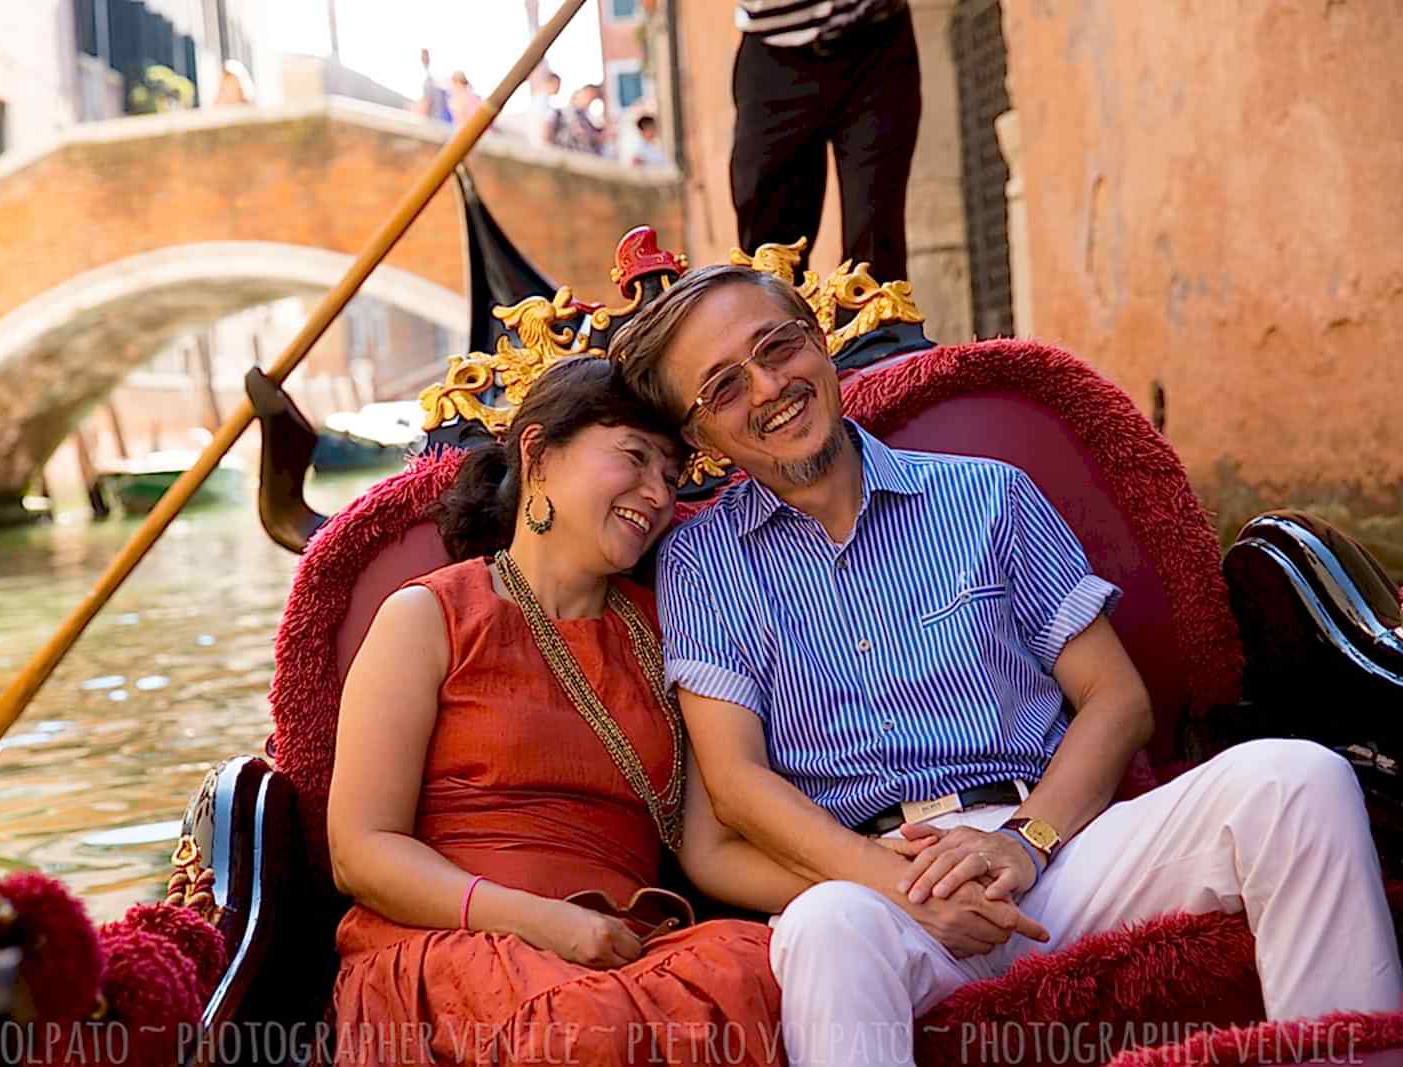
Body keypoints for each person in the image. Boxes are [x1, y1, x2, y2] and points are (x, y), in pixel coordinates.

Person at [608, 265, 1403, 1065]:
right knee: (822, 928)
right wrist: (901, 888)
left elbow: (1115, 699)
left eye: (776, 346)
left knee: (1298, 780)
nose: (769, 385)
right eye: (723, 387)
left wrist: (1028, 842)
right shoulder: (702, 563)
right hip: (874, 881)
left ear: (818, 344)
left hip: (1054, 850)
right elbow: (737, 784)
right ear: (702, 438)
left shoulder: (989, 494)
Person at [326, 357, 833, 1065]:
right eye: (633, 457)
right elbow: (360, 850)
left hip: (626, 949)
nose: (657, 493)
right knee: (585, 1026)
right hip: (452, 946)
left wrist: (878, 877)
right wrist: (544, 923)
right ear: (537, 453)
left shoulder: (673, 630)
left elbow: (706, 846)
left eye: (671, 473)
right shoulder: (429, 615)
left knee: (765, 968)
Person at [731, 0, 921, 281]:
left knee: (874, 249)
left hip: (876, 43)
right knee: (769, 256)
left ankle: (879, 325)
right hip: (773, 55)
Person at [552, 83, 608, 156]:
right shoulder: (568, 112)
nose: (590, 100)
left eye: (593, 98)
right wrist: (603, 137)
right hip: (572, 157)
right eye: (589, 96)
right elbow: (583, 136)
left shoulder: (584, 115)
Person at [413, 48, 451, 123]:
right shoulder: (432, 78)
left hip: (435, 122)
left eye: (424, 56)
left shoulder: (431, 80)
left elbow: (425, 105)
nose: (423, 59)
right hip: (441, 122)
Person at [527, 69, 562, 146]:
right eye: (557, 84)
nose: (559, 87)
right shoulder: (542, 102)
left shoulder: (539, 99)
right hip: (539, 144)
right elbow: (545, 126)